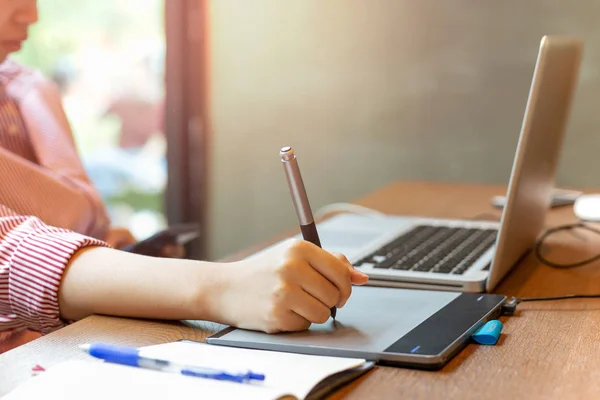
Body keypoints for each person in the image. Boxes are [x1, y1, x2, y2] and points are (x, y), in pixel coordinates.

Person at [0, 1, 369, 353]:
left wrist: (121, 256)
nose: (30, 13)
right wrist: (225, 288)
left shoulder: (26, 91)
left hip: (80, 341)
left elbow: (68, 222)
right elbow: (14, 254)